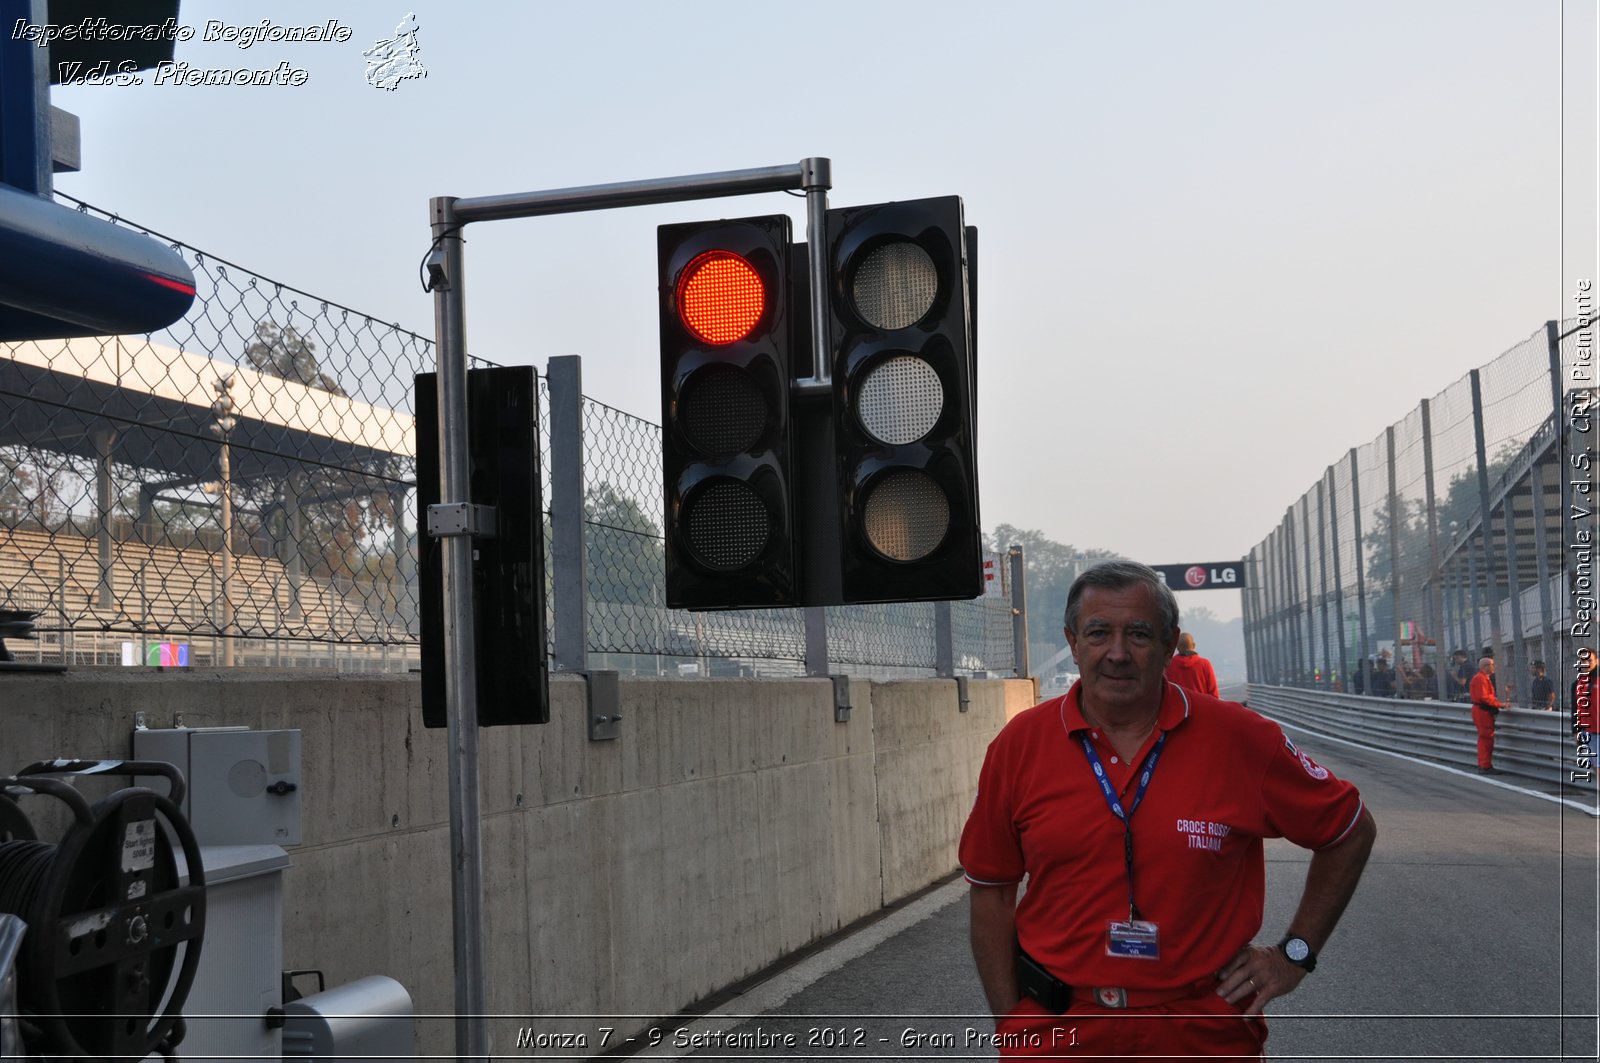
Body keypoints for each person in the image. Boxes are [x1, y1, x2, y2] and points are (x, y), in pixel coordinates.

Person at [960, 561, 1377, 1060]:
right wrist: (1013, 1026)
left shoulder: (1241, 739)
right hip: (1061, 1029)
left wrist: (1295, 953)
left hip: (1200, 1030)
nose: (1117, 653)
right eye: (1098, 633)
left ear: (1167, 643)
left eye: (1138, 634)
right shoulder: (1019, 746)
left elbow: (1350, 829)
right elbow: (991, 893)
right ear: (1073, 642)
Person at [1469, 656, 1507, 775]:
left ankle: (1485, 765)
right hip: (1482, 711)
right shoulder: (1480, 679)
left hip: (1483, 710)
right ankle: (1485, 766)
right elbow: (1484, 697)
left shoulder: (1484, 678)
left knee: (1486, 738)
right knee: (1486, 738)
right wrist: (1500, 704)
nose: (1494, 667)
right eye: (1492, 664)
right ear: (1485, 667)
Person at [1164, 632, 1219, 697]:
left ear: (1177, 647)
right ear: (1193, 645)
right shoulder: (1205, 664)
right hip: (1201, 706)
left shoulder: (1168, 665)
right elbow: (1214, 695)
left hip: (1179, 706)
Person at [1574, 648, 1598, 734]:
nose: (1586, 664)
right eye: (1583, 661)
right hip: (1585, 731)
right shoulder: (1576, 683)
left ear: (1597, 661)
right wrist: (1576, 731)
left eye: (1590, 660)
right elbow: (1575, 708)